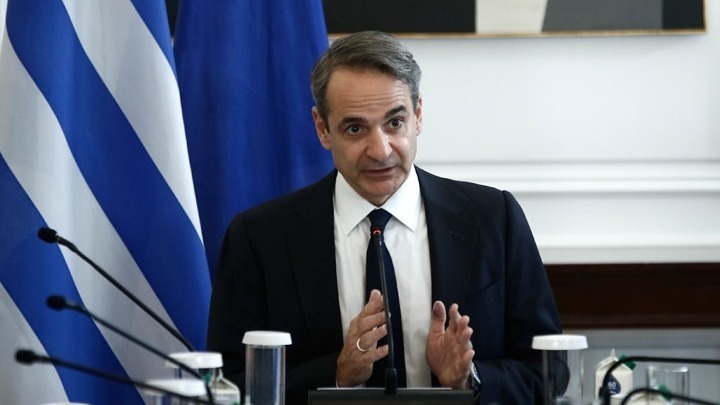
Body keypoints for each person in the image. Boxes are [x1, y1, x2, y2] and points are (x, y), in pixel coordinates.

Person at [207, 30, 562, 404]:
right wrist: (336, 374)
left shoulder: (494, 219)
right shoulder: (260, 237)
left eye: (394, 123)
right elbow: (230, 383)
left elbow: (548, 371)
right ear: (322, 129)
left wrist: (468, 379)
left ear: (418, 116)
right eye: (355, 128)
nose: (380, 151)